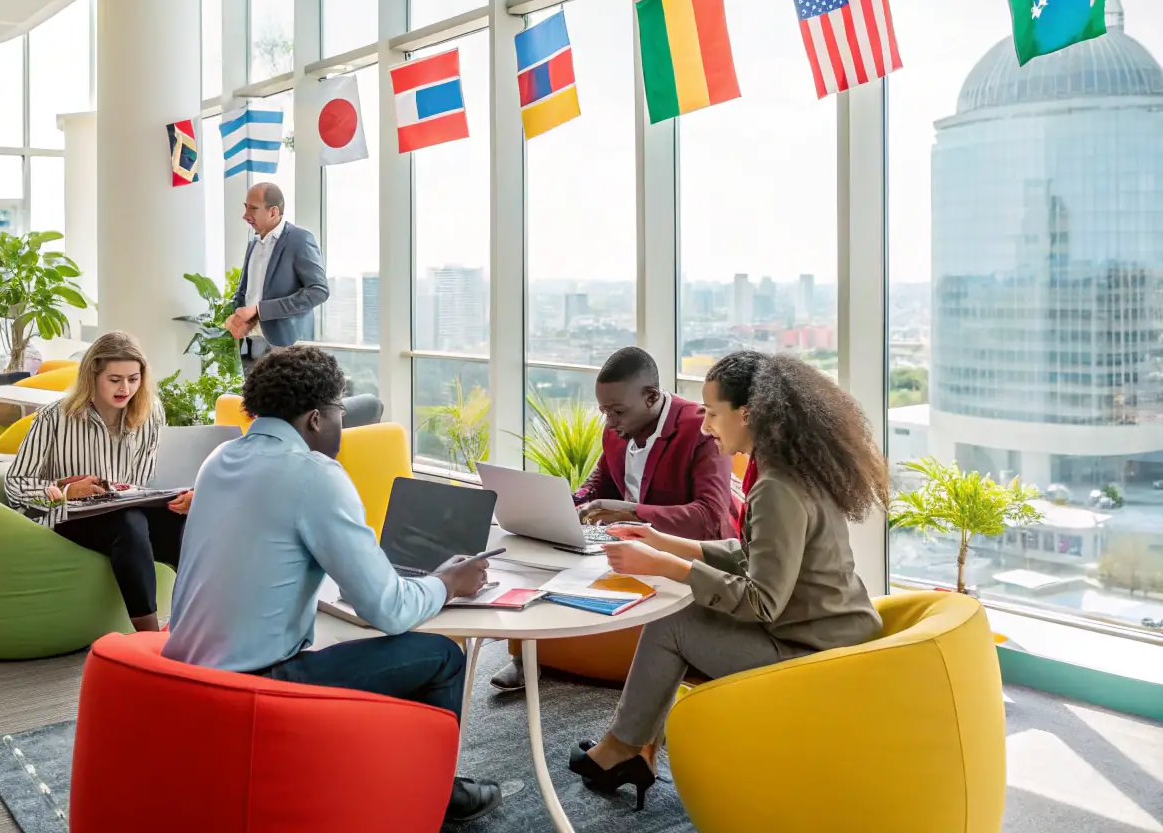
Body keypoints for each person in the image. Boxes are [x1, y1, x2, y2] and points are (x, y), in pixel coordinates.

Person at [163, 345, 502, 824]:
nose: (345, 424)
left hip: (188, 673)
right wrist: (448, 582)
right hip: (252, 688)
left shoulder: (220, 459)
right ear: (317, 419)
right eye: (341, 411)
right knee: (441, 654)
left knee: (350, 634)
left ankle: (374, 772)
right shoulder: (314, 473)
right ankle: (435, 795)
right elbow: (389, 610)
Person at [566, 350, 888, 810]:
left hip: (817, 653)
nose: (704, 424)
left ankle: (624, 748)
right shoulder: (790, 473)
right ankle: (628, 747)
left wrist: (663, 565)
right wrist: (662, 540)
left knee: (672, 622)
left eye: (713, 413)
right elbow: (753, 554)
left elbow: (762, 603)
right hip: (826, 630)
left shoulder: (777, 489)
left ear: (749, 414)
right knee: (677, 615)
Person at [491, 345, 734, 692]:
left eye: (617, 411)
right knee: (537, 556)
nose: (609, 422)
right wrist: (565, 506)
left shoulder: (701, 430)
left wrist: (630, 511)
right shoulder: (618, 427)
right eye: (605, 411)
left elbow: (709, 518)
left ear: (651, 397)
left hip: (683, 549)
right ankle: (530, 653)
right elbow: (597, 485)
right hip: (627, 540)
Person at [4, 331, 191, 633]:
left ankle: (199, 625)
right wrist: (65, 491)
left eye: (133, 379)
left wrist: (178, 496)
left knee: (184, 524)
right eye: (115, 379)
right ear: (93, 375)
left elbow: (146, 479)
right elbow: (15, 482)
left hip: (130, 510)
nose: (125, 388)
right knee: (129, 524)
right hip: (70, 517)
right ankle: (147, 637)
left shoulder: (151, 412)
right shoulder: (54, 417)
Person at [224, 182, 329, 377]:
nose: (245, 215)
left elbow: (319, 291)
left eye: (253, 209)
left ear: (273, 212)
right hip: (250, 345)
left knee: (286, 406)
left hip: (286, 347)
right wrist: (237, 316)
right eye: (245, 207)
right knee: (254, 405)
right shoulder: (253, 243)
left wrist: (259, 310)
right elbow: (245, 290)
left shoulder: (299, 240)